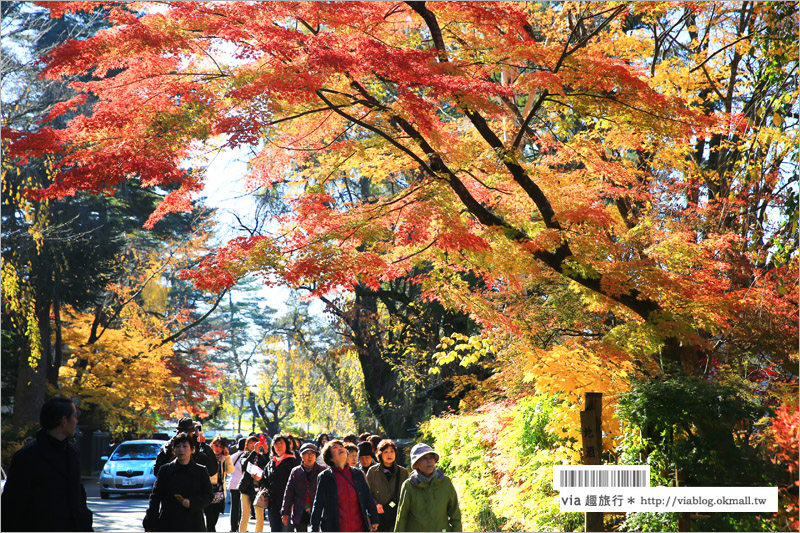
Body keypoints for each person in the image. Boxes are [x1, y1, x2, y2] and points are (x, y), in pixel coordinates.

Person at [1, 396, 93, 532]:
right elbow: (12, 506)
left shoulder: (72, 454)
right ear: (63, 420)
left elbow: (78, 498)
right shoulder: (27, 457)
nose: (76, 421)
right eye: (74, 416)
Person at [143, 432, 214, 532]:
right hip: (169, 522)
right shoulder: (165, 470)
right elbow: (155, 497)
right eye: (178, 446)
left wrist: (192, 502)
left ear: (192, 450)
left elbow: (208, 496)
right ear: (173, 450)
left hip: (193, 523)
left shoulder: (200, 471)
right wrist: (150, 522)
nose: (181, 449)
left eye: (185, 446)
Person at [310, 440, 379, 532]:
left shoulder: (358, 473)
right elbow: (318, 504)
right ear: (330, 458)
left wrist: (374, 518)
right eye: (335, 447)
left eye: (341, 446)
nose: (340, 448)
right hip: (336, 528)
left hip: (358, 528)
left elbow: (367, 497)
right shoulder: (325, 477)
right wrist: (314, 528)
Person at [394, 443, 461, 532]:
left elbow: (455, 514)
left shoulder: (445, 482)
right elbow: (402, 517)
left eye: (431, 457)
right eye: (424, 458)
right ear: (416, 464)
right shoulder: (409, 486)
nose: (429, 461)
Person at [154, 417, 219, 482]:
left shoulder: (167, 446)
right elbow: (211, 470)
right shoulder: (168, 446)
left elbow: (157, 471)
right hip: (185, 486)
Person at [281, 443, 326, 532]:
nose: (310, 456)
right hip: (300, 509)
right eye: (306, 454)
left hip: (317, 509)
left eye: (312, 454)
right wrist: (285, 512)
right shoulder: (296, 472)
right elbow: (289, 493)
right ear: (301, 456)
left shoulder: (322, 471)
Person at [365, 440, 408, 532]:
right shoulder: (373, 471)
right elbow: (367, 493)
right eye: (386, 452)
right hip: (378, 516)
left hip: (396, 514)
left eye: (392, 451)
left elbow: (406, 494)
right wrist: (375, 504)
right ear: (380, 454)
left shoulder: (402, 472)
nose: (389, 454)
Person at [265, 434, 300, 532]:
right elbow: (265, 479)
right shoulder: (271, 462)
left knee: (286, 530)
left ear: (287, 446)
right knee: (275, 529)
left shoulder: (292, 462)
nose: (279, 446)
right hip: (273, 504)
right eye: (276, 443)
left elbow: (297, 484)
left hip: (288, 504)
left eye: (281, 443)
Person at [238, 436, 268, 532]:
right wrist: (254, 452)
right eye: (251, 443)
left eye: (255, 443)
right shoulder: (244, 455)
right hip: (246, 488)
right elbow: (245, 465)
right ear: (247, 445)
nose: (253, 445)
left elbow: (268, 467)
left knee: (260, 517)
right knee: (245, 515)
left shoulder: (261, 457)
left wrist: (266, 452)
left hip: (258, 489)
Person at [206, 436, 235, 532]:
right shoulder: (207, 456)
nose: (218, 448)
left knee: (214, 518)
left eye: (221, 446)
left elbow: (230, 471)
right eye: (216, 445)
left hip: (220, 492)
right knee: (210, 521)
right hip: (208, 490)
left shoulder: (224, 458)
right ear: (212, 445)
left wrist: (227, 456)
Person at [228, 438, 248, 532]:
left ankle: (233, 528)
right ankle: (241, 528)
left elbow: (228, 471)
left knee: (234, 508)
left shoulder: (233, 456)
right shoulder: (247, 456)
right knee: (243, 508)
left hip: (233, 484)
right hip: (243, 485)